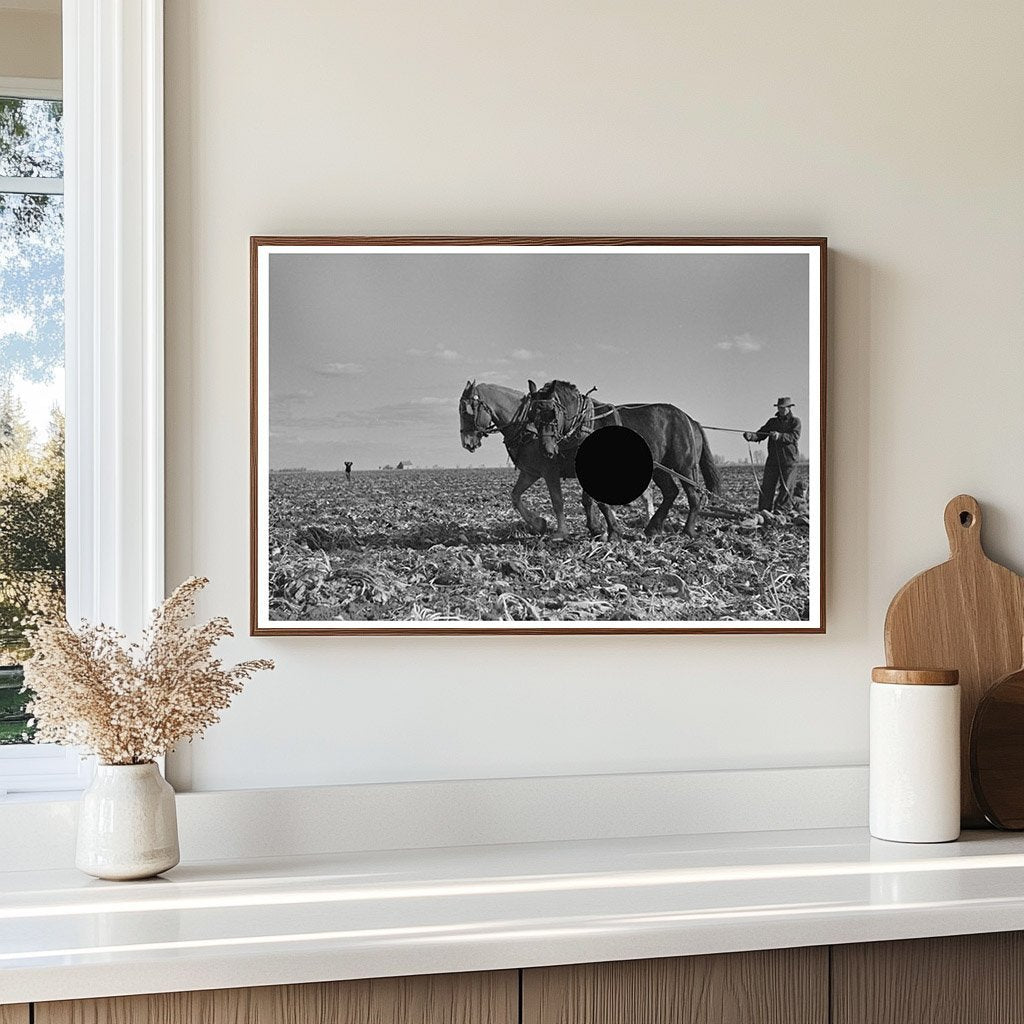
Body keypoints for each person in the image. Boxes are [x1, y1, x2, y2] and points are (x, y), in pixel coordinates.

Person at [743, 397, 801, 511]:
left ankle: (781, 511)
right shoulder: (772, 422)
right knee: (767, 486)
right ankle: (764, 510)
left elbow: (794, 436)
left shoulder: (795, 422)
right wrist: (751, 436)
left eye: (783, 408)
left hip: (789, 460)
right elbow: (761, 433)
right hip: (773, 459)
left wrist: (780, 436)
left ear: (789, 408)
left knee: (786, 487)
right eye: (779, 407)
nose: (781, 410)